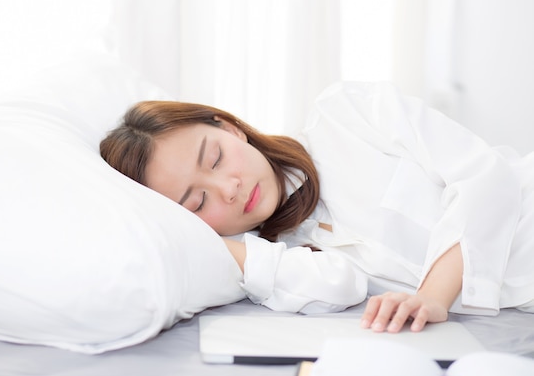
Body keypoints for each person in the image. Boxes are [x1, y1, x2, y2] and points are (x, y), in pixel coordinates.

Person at [100, 81, 534, 334]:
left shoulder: (346, 115)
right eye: (197, 201)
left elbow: (485, 176)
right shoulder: (275, 252)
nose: (227, 189)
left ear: (230, 127)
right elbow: (338, 287)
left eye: (214, 158)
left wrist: (432, 297)